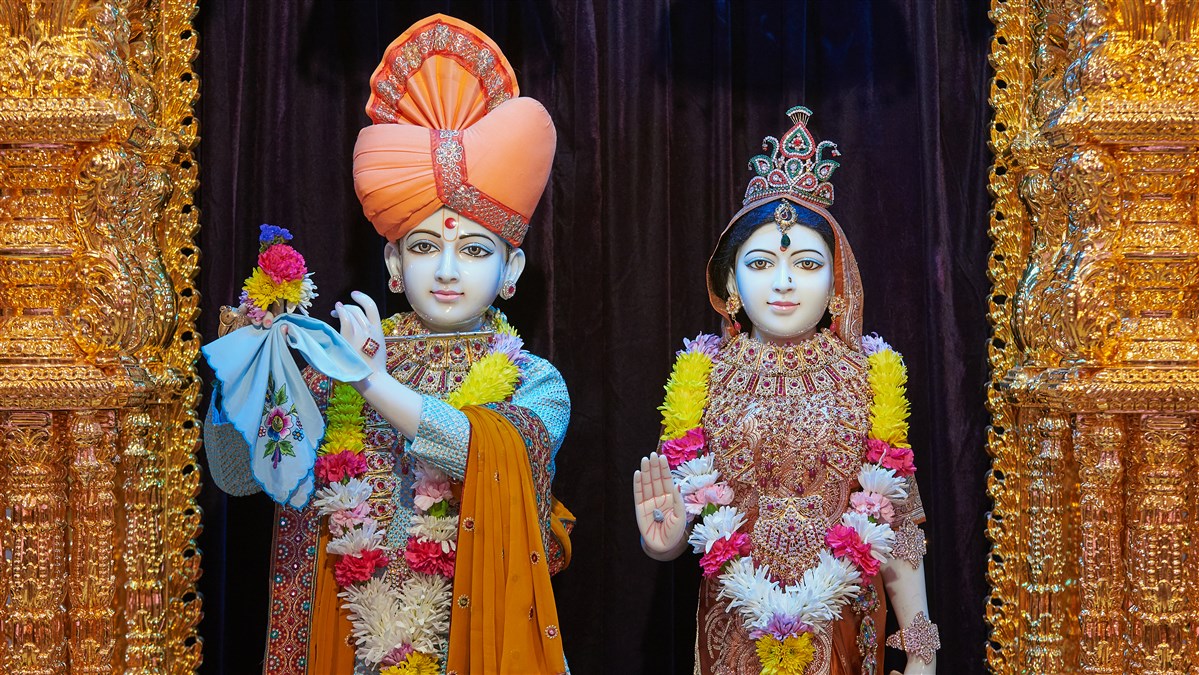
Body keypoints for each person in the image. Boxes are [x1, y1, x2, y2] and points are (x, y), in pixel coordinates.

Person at [204, 15, 572, 675]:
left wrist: (371, 382)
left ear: (511, 270)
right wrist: (245, 372)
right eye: (425, 247)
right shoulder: (333, 367)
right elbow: (237, 476)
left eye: (475, 249)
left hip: (473, 646)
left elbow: (478, 453)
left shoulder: (534, 382)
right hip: (349, 644)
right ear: (394, 264)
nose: (448, 269)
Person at [633, 107, 938, 675]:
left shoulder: (869, 377)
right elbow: (681, 523)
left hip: (845, 630)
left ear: (836, 282)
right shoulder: (701, 379)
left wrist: (922, 651)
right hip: (734, 633)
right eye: (760, 262)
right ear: (731, 281)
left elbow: (896, 528)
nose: (783, 281)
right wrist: (663, 543)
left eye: (806, 263)